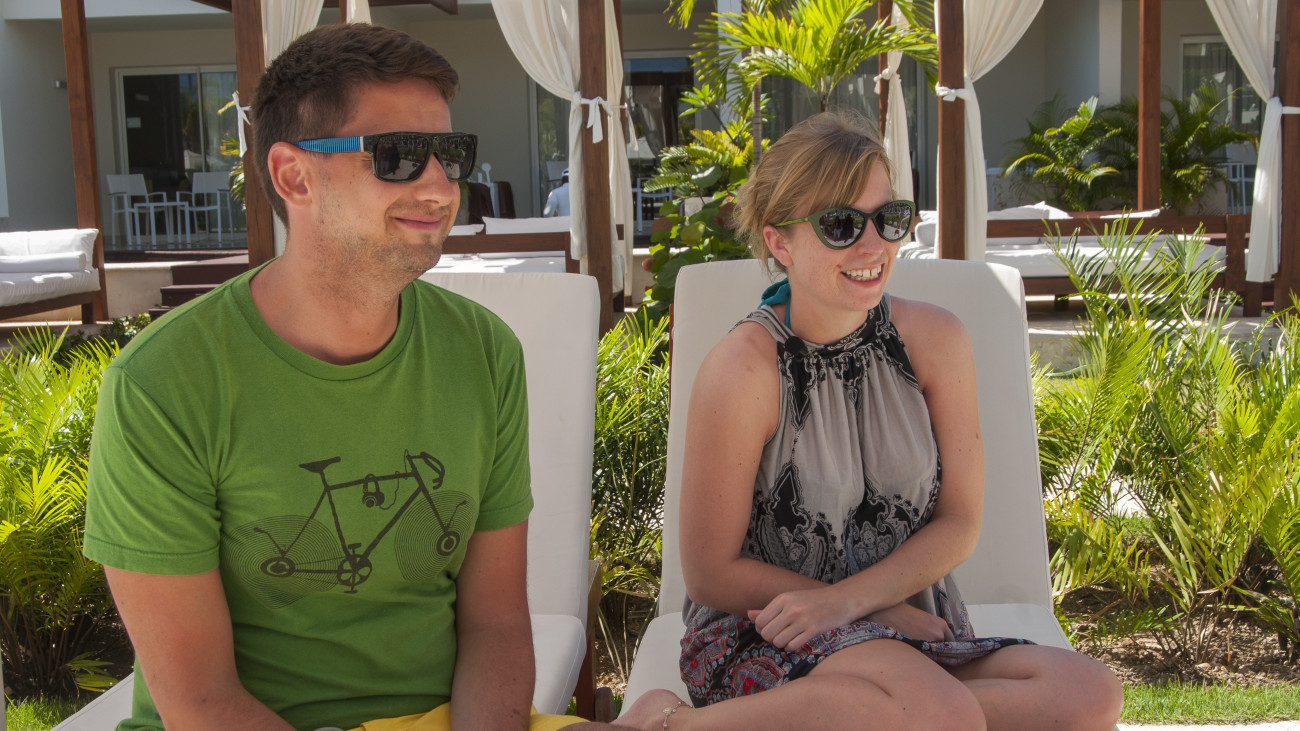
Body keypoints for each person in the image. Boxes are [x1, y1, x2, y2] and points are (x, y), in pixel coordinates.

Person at [83, 23, 669, 731]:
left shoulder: (484, 353)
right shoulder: (163, 385)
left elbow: (495, 624)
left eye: (451, 155)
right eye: (398, 156)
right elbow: (200, 701)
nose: (441, 186)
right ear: (294, 176)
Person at [662, 112, 1124, 729]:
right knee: (943, 715)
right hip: (771, 628)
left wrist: (859, 605)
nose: (873, 246)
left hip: (902, 617)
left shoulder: (936, 340)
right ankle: (673, 724)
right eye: (840, 225)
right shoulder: (744, 371)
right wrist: (855, 612)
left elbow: (960, 523)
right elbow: (710, 573)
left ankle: (878, 716)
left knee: (1089, 693)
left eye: (890, 218)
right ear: (780, 243)